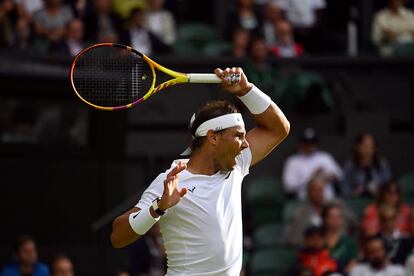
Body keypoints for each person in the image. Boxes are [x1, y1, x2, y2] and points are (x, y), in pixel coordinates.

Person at [110, 67, 290, 275]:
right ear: (213, 137)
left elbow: (279, 128)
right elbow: (118, 236)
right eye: (238, 136)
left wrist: (245, 89)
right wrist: (158, 208)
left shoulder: (236, 165)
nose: (244, 144)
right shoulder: (172, 180)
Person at [282, 176, 357, 248]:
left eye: (321, 190)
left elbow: (355, 224)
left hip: (339, 249)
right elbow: (295, 239)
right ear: (308, 193)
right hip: (311, 252)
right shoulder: (299, 213)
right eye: (315, 190)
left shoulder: (337, 206)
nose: (319, 193)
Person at [282, 127, 343, 200]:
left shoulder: (325, 157)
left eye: (313, 142)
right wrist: (312, 177)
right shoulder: (293, 161)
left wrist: (328, 177)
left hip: (328, 201)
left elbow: (340, 175)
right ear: (300, 143)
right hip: (305, 202)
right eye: (306, 143)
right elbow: (288, 187)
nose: (310, 146)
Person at [341, 133, 391, 197]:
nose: (368, 150)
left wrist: (379, 191)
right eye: (365, 146)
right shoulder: (350, 165)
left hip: (378, 201)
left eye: (371, 146)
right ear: (357, 147)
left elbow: (389, 187)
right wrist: (355, 192)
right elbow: (344, 189)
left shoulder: (382, 164)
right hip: (356, 202)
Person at [322, 203, 358, 274]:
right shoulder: (318, 241)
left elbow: (352, 265)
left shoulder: (349, 243)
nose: (335, 221)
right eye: (331, 217)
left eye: (338, 217)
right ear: (325, 219)